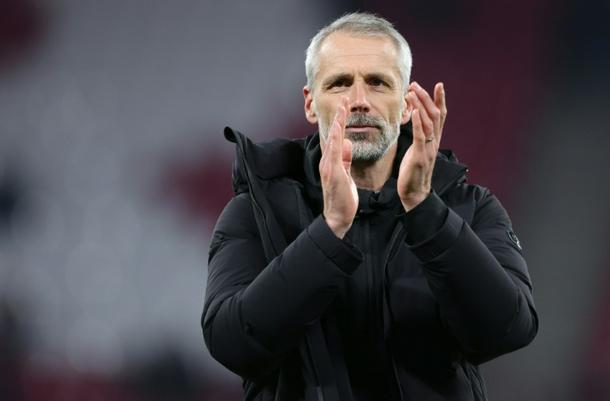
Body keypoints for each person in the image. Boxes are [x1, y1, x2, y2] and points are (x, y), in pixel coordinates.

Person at [202, 12, 538, 401]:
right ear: (310, 104)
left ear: (407, 103)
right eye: (340, 83)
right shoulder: (255, 212)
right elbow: (233, 344)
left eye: (378, 83)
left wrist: (424, 210)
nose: (359, 101)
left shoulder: (471, 208)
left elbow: (509, 329)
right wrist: (330, 229)